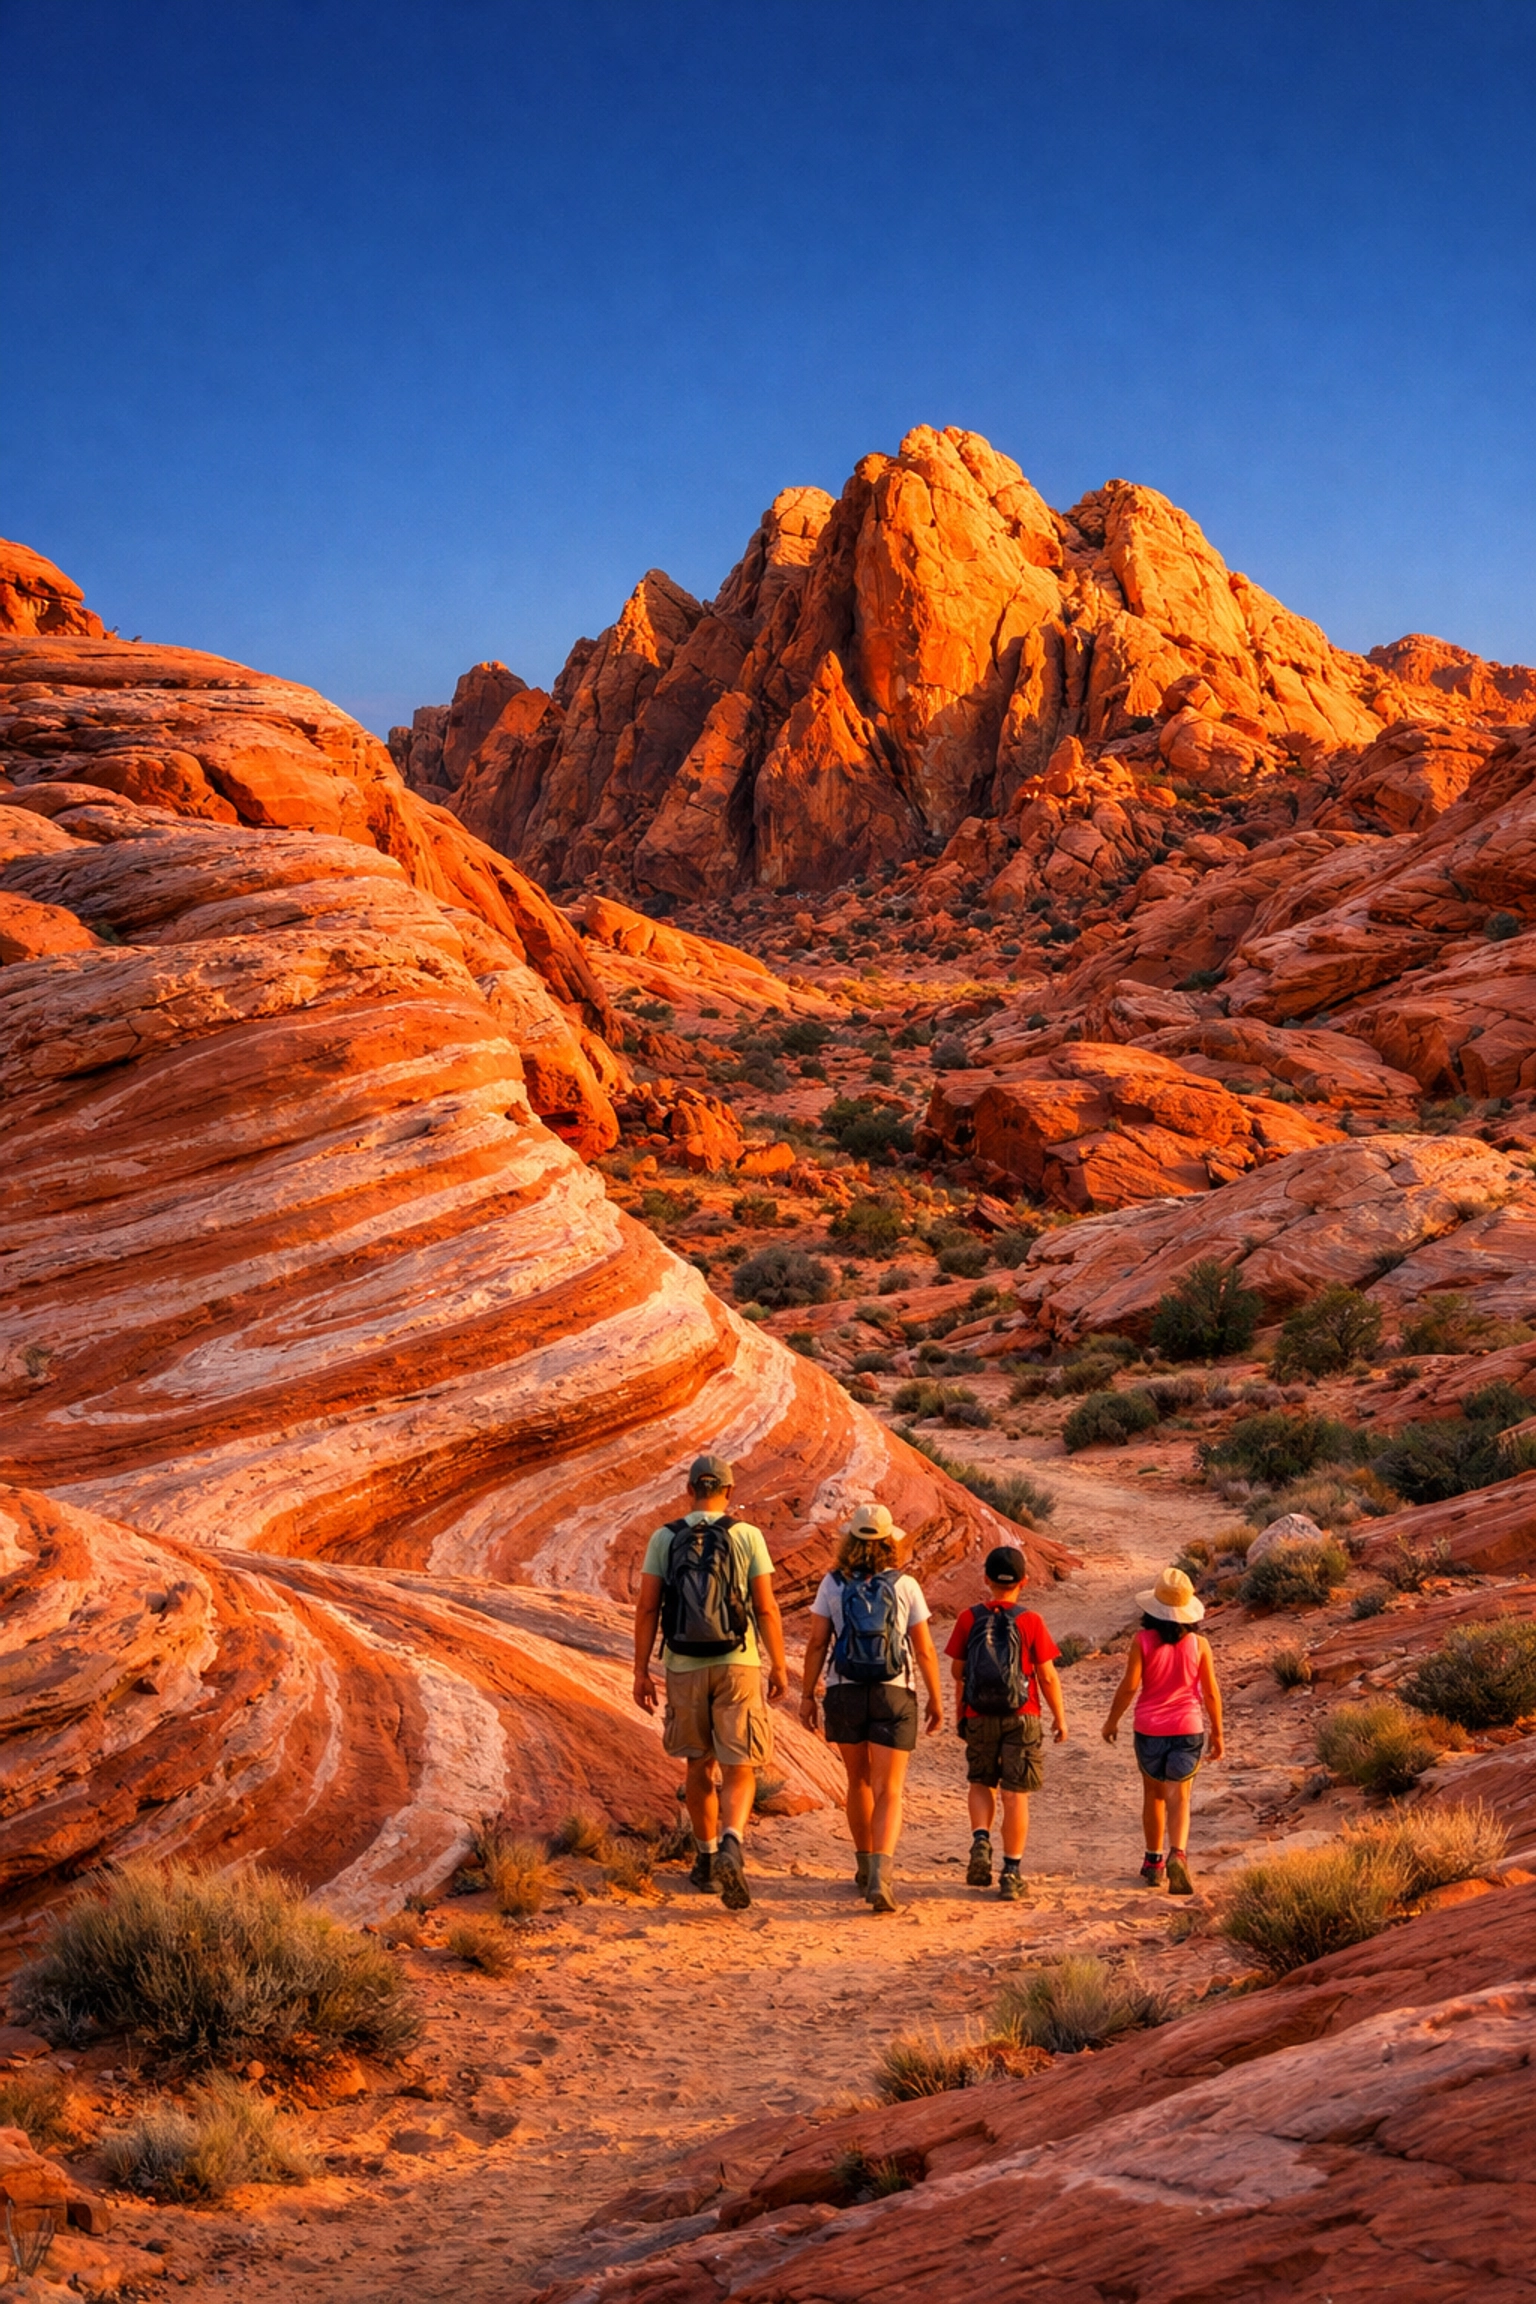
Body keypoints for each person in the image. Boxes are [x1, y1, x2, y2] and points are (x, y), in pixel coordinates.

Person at [632, 1453, 788, 1911]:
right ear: (729, 1491)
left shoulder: (665, 1537)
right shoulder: (747, 1536)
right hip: (737, 1662)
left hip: (682, 1665)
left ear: (689, 1491)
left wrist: (640, 1670)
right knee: (740, 1766)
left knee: (698, 1765)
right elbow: (765, 1608)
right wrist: (777, 1664)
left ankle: (704, 1860)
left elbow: (646, 1608)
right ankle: (732, 1843)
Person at [799, 1503, 943, 1913]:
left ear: (850, 1541)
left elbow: (816, 1644)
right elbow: (925, 1649)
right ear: (887, 1543)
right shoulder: (905, 1585)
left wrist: (808, 1695)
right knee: (889, 1789)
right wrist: (935, 1697)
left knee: (858, 1782)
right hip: (893, 1692)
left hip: (844, 1691)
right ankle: (882, 1874)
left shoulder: (832, 1583)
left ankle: (863, 1868)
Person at [944, 1544, 1067, 1903]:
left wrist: (960, 1714)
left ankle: (981, 1839)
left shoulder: (969, 1618)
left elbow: (957, 1672)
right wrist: (1059, 1717)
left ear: (985, 1579)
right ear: (1024, 1582)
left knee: (981, 1782)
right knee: (1015, 1795)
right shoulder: (1031, 1621)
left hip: (979, 1715)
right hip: (1022, 1715)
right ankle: (1011, 1873)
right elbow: (1046, 1676)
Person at [1100, 1565, 1225, 1895]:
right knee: (1179, 1797)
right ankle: (1179, 1856)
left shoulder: (1142, 1641)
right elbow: (1210, 1692)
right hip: (1188, 1727)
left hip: (1150, 1728)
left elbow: (1129, 1687)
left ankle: (1153, 1863)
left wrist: (1112, 1721)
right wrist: (1218, 1733)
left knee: (1153, 1795)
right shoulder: (1200, 1645)